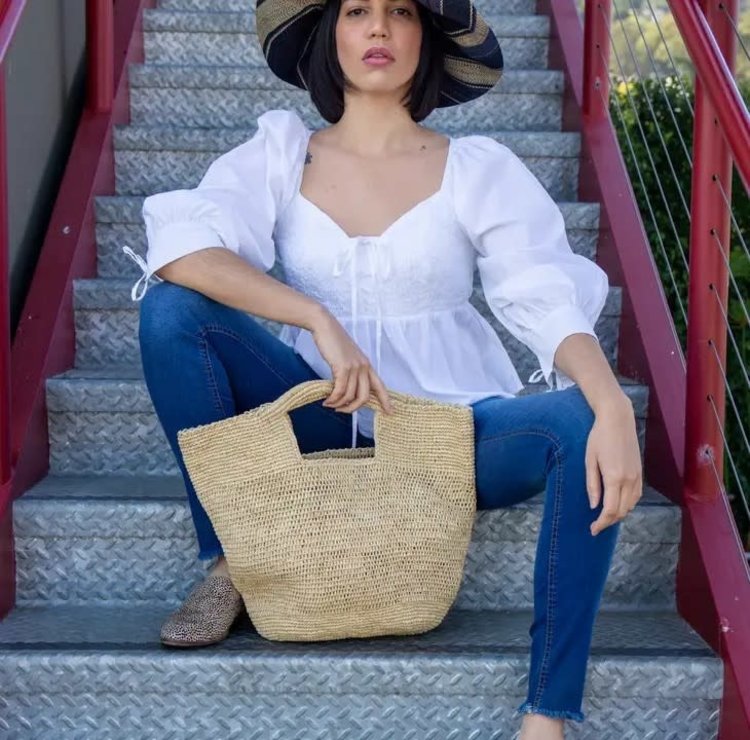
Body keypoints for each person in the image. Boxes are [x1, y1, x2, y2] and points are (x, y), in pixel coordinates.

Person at [127, 0, 643, 737]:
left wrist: (611, 401)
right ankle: (233, 558)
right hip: (319, 416)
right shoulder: (281, 155)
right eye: (357, 10)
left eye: (400, 10)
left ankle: (547, 712)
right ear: (328, 36)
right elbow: (181, 252)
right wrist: (316, 318)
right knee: (172, 310)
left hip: (447, 437)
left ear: (425, 38)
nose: (378, 28)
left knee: (579, 418)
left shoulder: (476, 168)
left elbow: (541, 293)